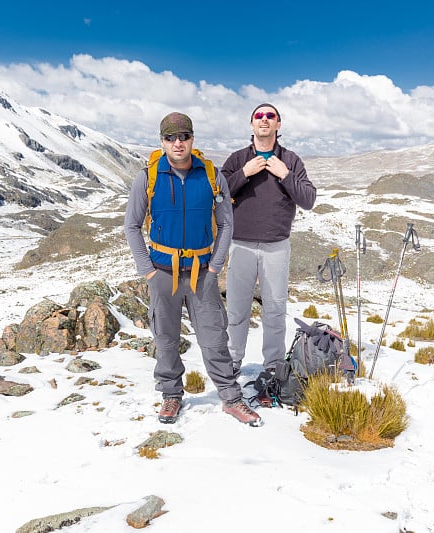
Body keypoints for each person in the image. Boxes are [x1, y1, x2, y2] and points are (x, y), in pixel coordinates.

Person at [124, 112, 262, 427]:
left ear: (192, 139)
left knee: (214, 338)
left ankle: (231, 398)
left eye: (183, 136)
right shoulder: (148, 177)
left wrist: (215, 267)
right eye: (170, 137)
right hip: (161, 272)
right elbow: (131, 226)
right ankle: (171, 396)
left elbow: (227, 223)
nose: (177, 143)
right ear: (162, 141)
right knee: (166, 339)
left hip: (202, 274)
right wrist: (147, 271)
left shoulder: (212, 175)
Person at [221, 103, 317, 405]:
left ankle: (274, 365)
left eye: (270, 116)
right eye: (259, 116)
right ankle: (233, 361)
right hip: (241, 245)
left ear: (278, 124)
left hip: (276, 246)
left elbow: (308, 199)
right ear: (251, 124)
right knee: (237, 310)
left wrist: (285, 174)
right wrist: (244, 174)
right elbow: (217, 193)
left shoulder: (290, 160)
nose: (264, 120)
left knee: (275, 309)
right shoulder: (237, 159)